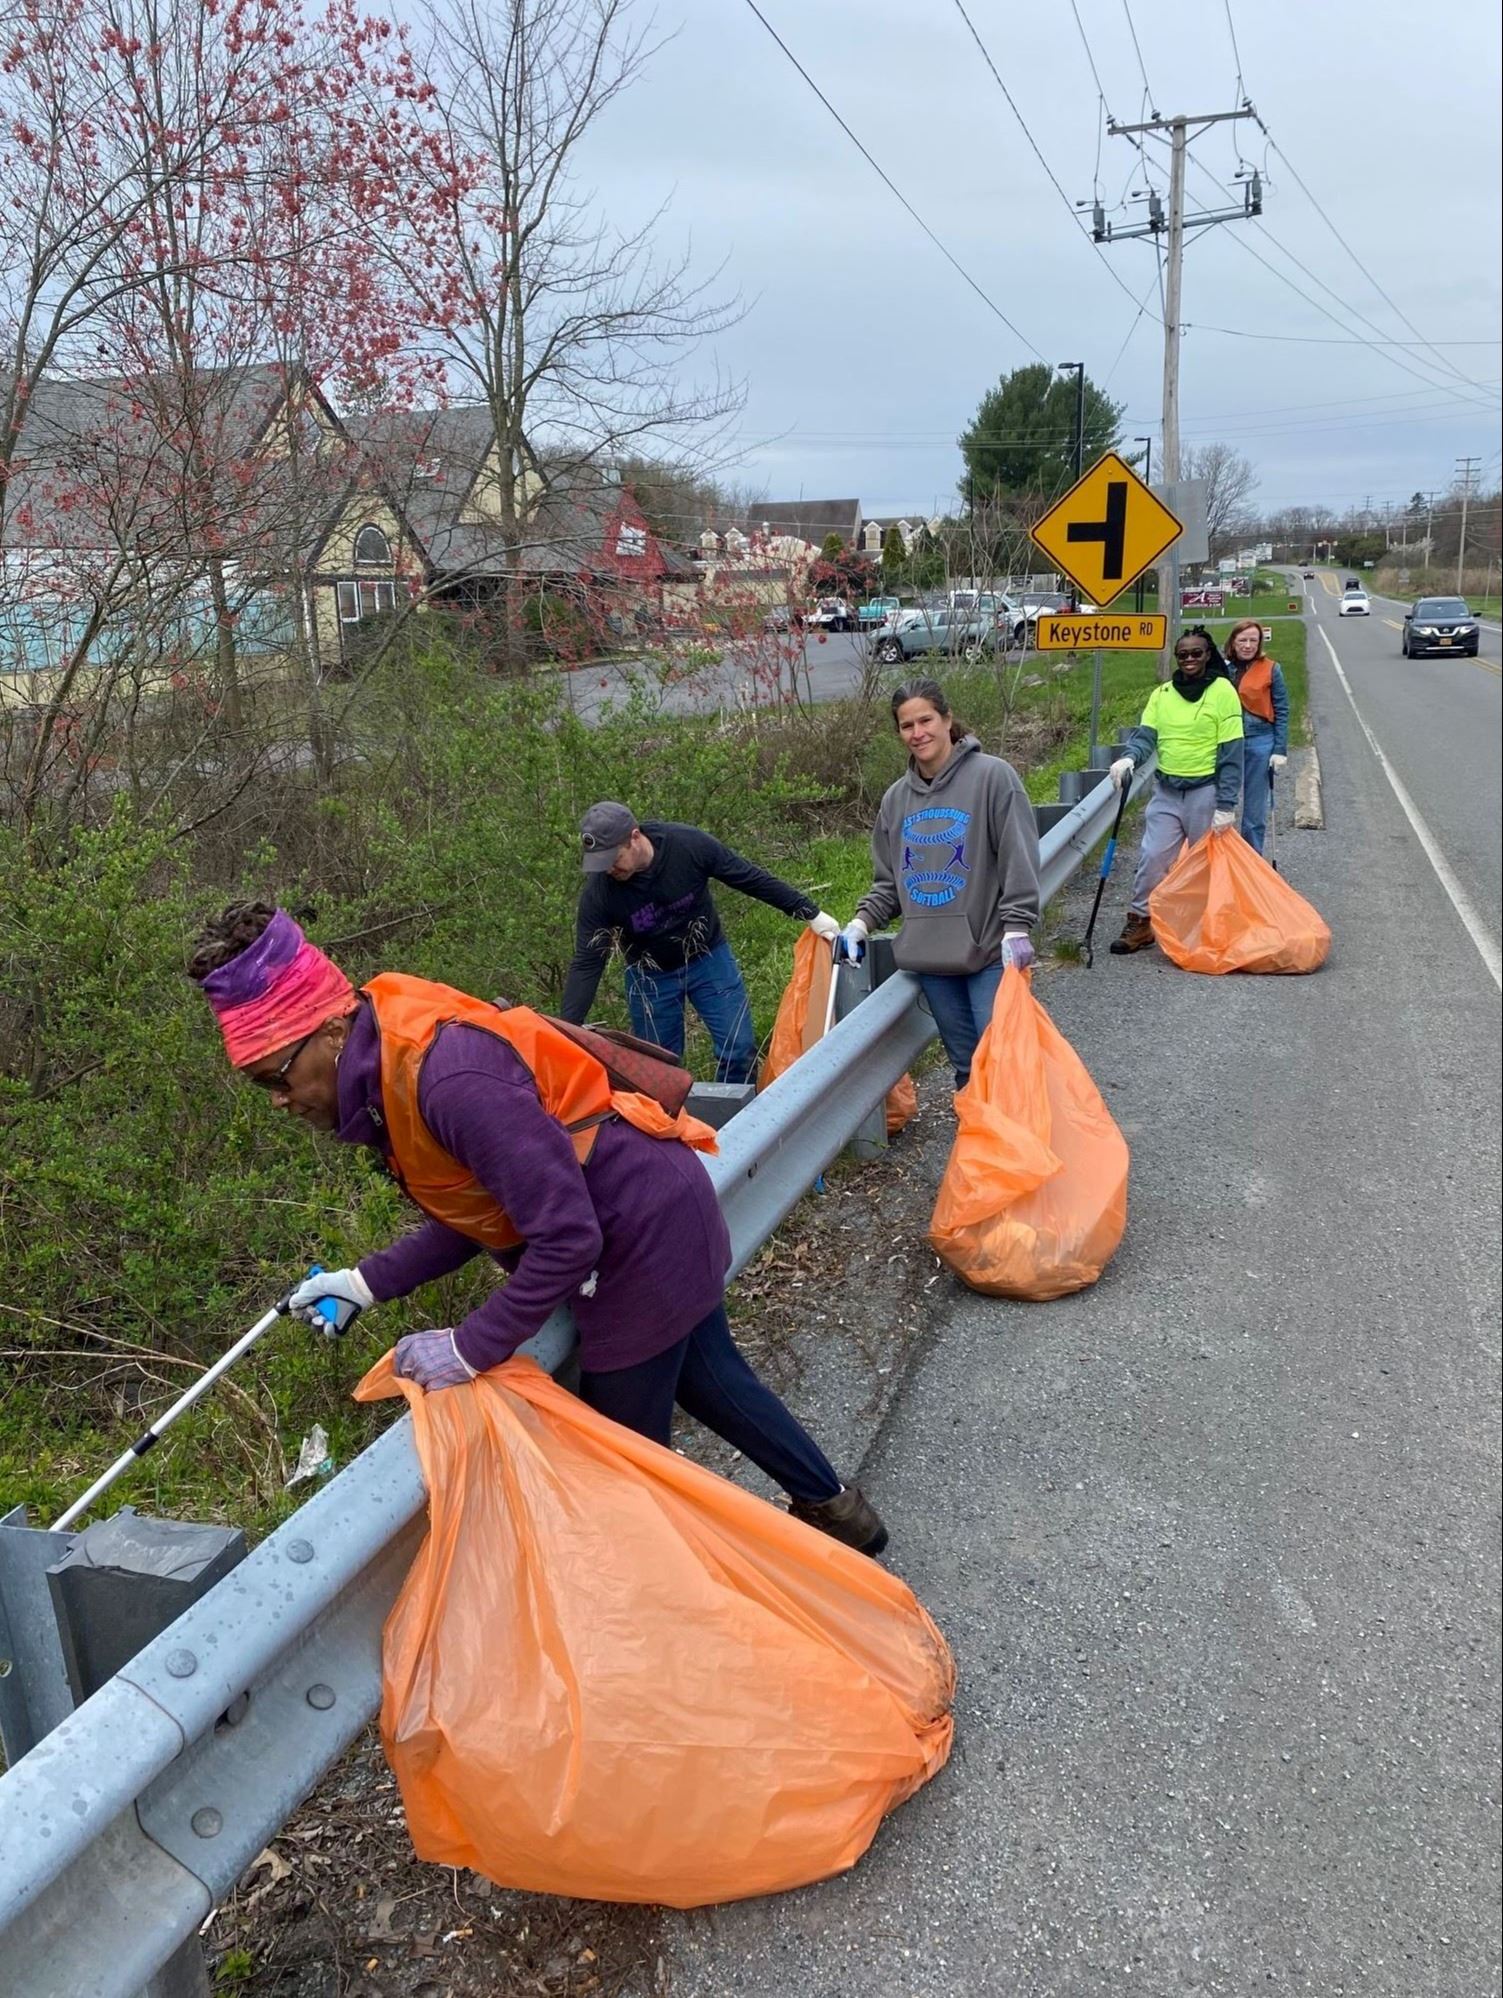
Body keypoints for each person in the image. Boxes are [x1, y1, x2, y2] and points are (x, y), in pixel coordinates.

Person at [188, 902, 887, 1555]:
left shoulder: (447, 1079)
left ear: (334, 1030)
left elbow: (565, 1239)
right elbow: (483, 1211)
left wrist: (470, 1346)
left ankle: (678, 1626)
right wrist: (366, 1283)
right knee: (713, 1380)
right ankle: (840, 1515)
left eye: (275, 1078)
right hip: (657, 1208)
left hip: (635, 1241)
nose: (279, 1102)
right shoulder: (387, 1064)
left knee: (618, 1475)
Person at [839, 678, 1041, 1091]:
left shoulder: (993, 778)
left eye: (926, 720)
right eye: (906, 725)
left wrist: (1018, 926)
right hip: (932, 959)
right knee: (967, 1067)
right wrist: (860, 924)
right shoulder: (896, 800)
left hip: (987, 953)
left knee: (1000, 1061)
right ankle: (980, 1151)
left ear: (947, 720)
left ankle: (1020, 1151)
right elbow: (890, 883)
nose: (918, 733)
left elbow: (1019, 857)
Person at [560, 802, 841, 1085]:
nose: (608, 869)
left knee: (739, 1049)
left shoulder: (686, 845)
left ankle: (735, 1119)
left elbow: (747, 876)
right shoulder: (600, 893)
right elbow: (588, 961)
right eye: (600, 862)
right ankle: (678, 1126)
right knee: (659, 1069)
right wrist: (566, 1028)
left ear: (634, 837)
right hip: (651, 978)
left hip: (708, 959)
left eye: (613, 858)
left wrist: (809, 912)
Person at [1107, 626, 1244, 955]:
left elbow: (1231, 751)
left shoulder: (1223, 691)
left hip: (1205, 792)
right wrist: (1128, 758)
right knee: (1153, 856)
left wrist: (1226, 804)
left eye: (1197, 653)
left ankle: (1204, 926)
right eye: (1183, 654)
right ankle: (1141, 921)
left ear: (1208, 654)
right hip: (1167, 791)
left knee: (1204, 865)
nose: (1190, 659)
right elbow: (1145, 736)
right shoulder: (1162, 694)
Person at [1224, 617, 1289, 855]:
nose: (1248, 645)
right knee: (1220, 803)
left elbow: (1282, 709)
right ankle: (1223, 858)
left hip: (1260, 739)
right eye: (1242, 640)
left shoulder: (1271, 668)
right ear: (1233, 641)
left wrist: (1279, 749)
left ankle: (1250, 859)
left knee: (1255, 810)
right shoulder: (1222, 670)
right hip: (1227, 741)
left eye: (1253, 640)